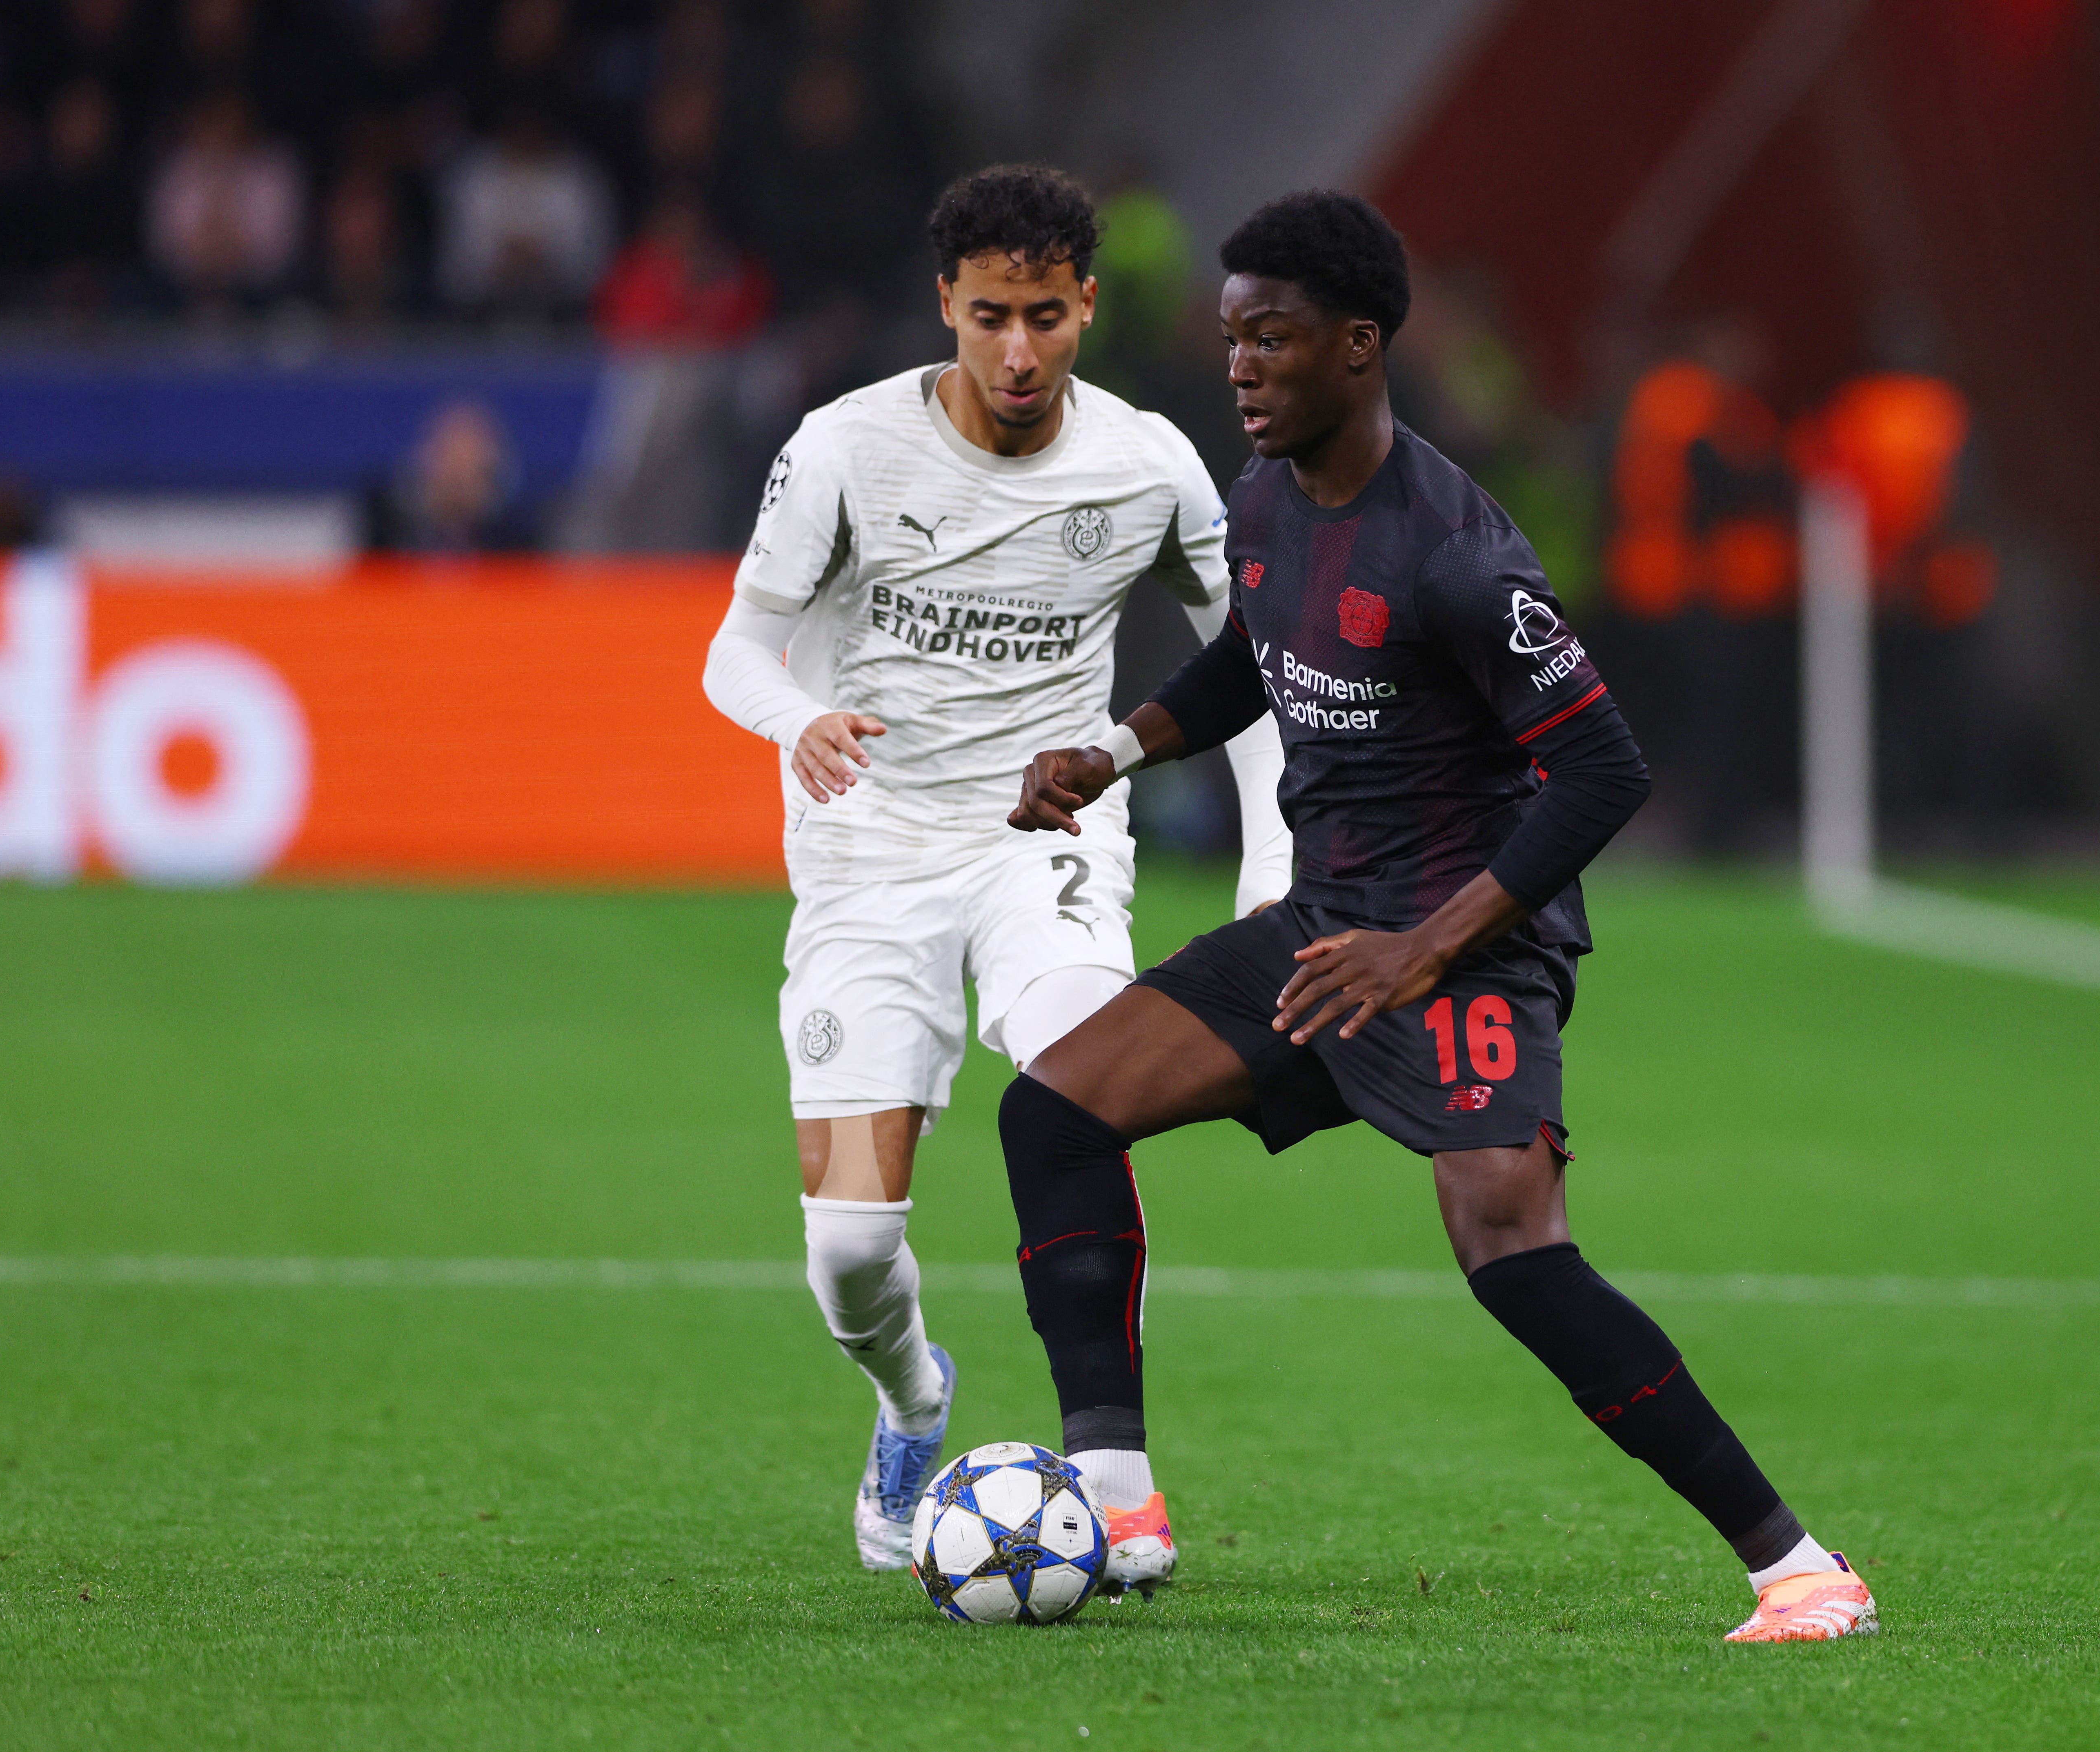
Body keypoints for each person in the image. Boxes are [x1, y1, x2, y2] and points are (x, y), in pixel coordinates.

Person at [996, 191, 1879, 1639]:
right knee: (1058, 1110)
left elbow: (1606, 766)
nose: (1241, 367)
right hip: (1334, 932)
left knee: (1511, 1252)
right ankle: (1119, 1497)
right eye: (1232, 339)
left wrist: (1429, 945)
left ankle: (1798, 1566)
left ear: (1358, 346)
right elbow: (1245, 662)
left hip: (1463, 943)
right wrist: (1118, 747)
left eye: (1270, 339)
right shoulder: (1269, 500)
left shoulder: (1460, 553)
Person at [700, 165, 1290, 1571]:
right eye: (987, 318)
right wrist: (802, 720)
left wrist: (1270, 865)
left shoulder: (1148, 464)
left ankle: (1115, 1469)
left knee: (1084, 1090)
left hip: (1051, 840)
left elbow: (1262, 661)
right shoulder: (845, 447)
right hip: (869, 854)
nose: (1017, 352)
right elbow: (736, 647)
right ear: (945, 310)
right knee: (849, 1252)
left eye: (1044, 315)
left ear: (1086, 303)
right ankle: (915, 1401)